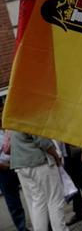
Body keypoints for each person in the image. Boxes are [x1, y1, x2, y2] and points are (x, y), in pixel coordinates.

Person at [10, 131, 68, 231]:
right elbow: (43, 141)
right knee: (54, 200)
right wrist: (56, 157)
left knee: (38, 202)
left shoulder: (14, 118)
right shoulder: (28, 116)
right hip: (40, 163)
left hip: (23, 166)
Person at [0, 99, 28, 231]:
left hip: (20, 163)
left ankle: (43, 224)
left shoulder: (8, 127)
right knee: (13, 202)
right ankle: (22, 228)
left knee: (33, 195)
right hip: (4, 170)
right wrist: (5, 166)